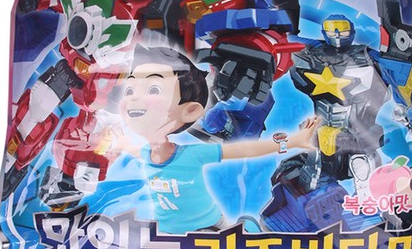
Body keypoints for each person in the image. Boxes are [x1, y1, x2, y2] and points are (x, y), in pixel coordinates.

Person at [110, 46, 317, 234]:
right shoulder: (146, 153)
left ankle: (245, 235)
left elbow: (245, 150)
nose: (133, 98)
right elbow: (132, 149)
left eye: (154, 89)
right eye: (130, 90)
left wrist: (290, 142)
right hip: (172, 233)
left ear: (190, 110)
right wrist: (121, 144)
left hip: (211, 224)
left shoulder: (192, 155)